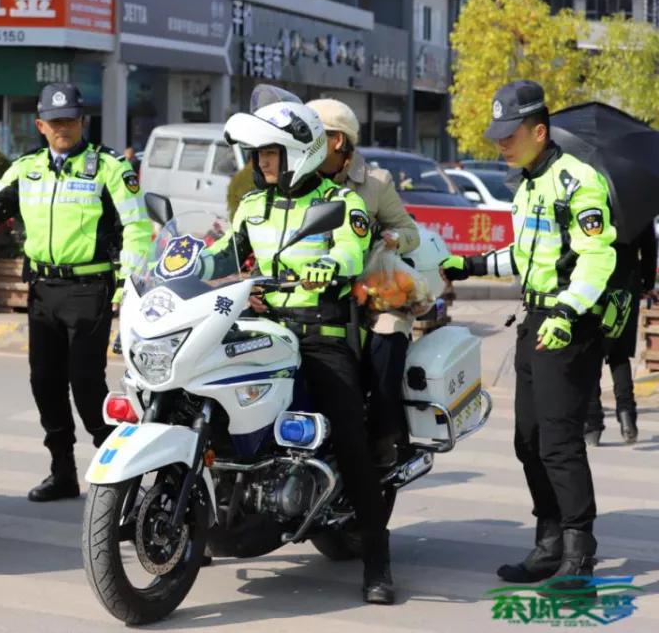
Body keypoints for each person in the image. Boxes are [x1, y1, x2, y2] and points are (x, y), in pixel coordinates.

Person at [0, 83, 153, 502]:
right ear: (41, 125)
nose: (63, 129)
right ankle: (62, 472)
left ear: (82, 122)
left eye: (71, 121)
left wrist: (126, 288)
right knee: (44, 384)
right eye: (55, 122)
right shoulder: (27, 168)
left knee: (86, 386)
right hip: (43, 290)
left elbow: (137, 229)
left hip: (89, 289)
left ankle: (124, 479)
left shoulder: (110, 170)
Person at [212, 98, 394, 604]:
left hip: (322, 337)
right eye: (258, 153)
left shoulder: (343, 203)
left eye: (272, 152)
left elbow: (352, 251)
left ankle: (377, 559)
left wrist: (331, 266)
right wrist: (177, 261)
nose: (262, 162)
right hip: (268, 330)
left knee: (351, 438)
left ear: (301, 152)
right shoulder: (252, 205)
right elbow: (224, 251)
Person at [442, 80, 615, 594]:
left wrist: (566, 311)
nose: (500, 142)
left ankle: (579, 550)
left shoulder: (577, 181)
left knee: (560, 442)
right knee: (528, 440)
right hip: (533, 320)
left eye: (509, 133)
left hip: (570, 324)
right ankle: (548, 542)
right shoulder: (528, 185)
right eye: (496, 133)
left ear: (539, 131)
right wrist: (469, 262)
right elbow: (523, 256)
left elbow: (597, 255)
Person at [308, 98, 420, 468]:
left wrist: (390, 240)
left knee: (386, 346)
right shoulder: (299, 182)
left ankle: (386, 438)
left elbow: (409, 231)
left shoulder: (376, 183)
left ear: (337, 141)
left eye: (313, 135)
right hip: (310, 294)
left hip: (371, 296)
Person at [583, 227, 657, 445]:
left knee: (591, 354)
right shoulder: (634, 204)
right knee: (619, 354)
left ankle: (593, 424)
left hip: (594, 284)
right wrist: (648, 283)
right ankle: (626, 415)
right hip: (626, 286)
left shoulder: (593, 199)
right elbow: (649, 249)